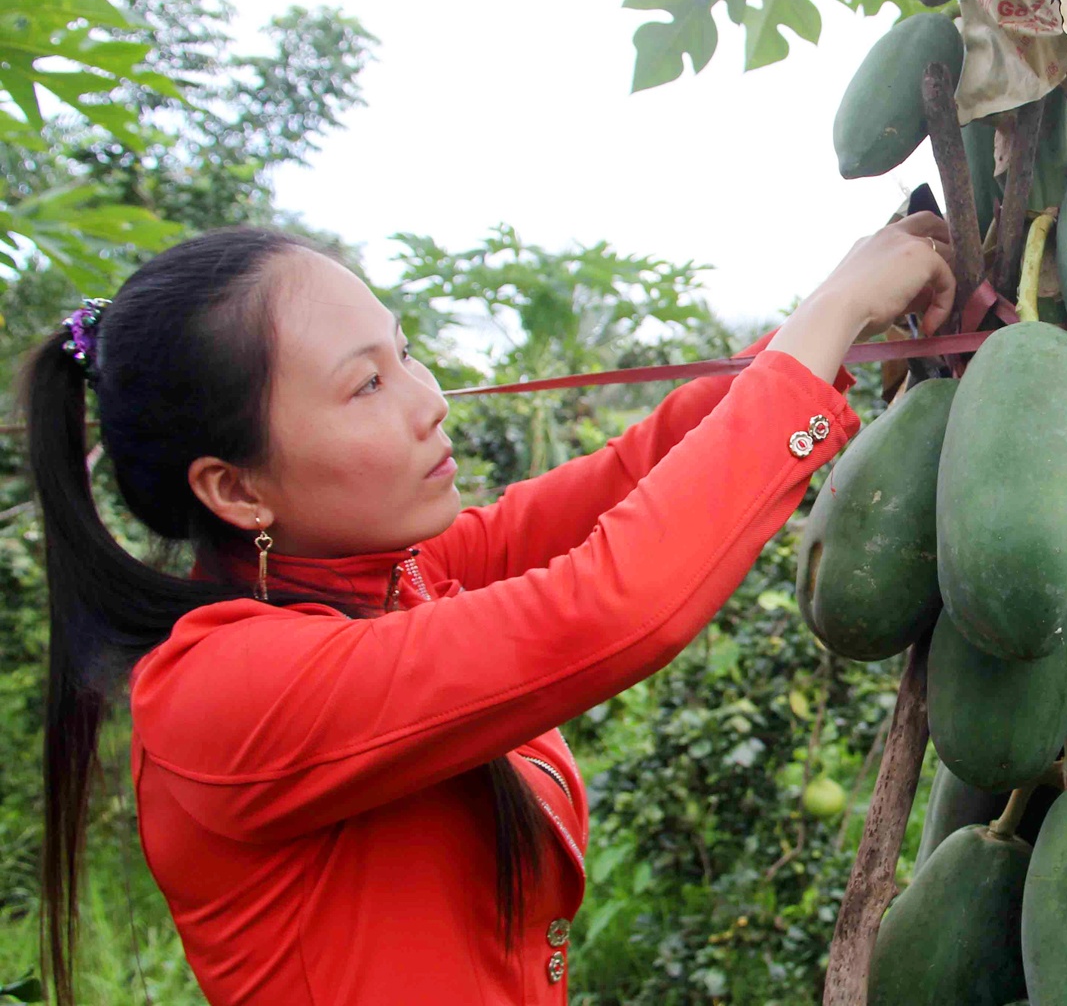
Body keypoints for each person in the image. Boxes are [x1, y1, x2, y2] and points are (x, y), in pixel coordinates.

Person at [23, 213, 955, 1005]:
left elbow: (631, 475)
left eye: (404, 352)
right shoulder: (223, 695)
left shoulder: (395, 579)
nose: (430, 401)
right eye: (366, 384)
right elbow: (610, 604)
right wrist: (836, 314)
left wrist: (829, 326)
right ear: (236, 489)